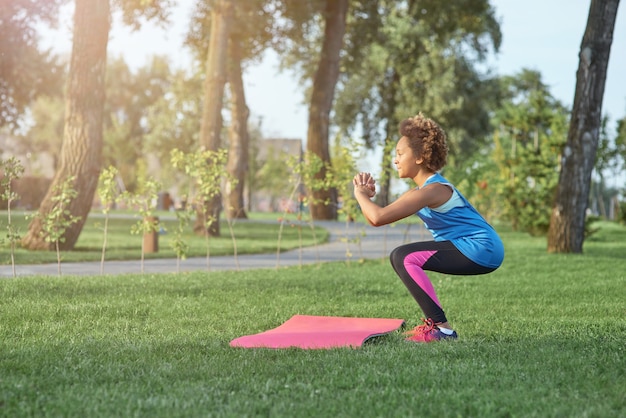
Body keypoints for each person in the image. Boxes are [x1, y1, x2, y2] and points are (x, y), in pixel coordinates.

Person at [352, 113, 504, 343]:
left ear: (421, 157)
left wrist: (360, 195)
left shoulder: (433, 190)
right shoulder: (419, 192)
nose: (396, 160)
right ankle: (438, 327)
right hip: (475, 248)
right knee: (402, 256)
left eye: (400, 153)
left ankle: (442, 330)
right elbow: (377, 215)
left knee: (404, 256)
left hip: (480, 247)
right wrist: (368, 198)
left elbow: (377, 217)